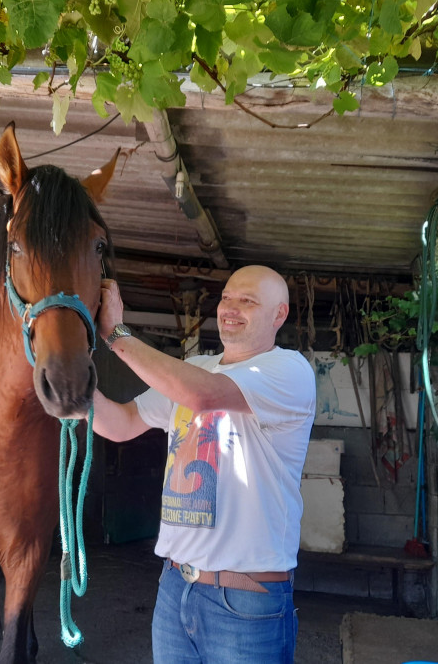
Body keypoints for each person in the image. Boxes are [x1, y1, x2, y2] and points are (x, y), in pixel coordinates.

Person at [93, 265, 316, 664]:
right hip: (175, 587)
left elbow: (203, 397)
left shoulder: (288, 371)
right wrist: (69, 386)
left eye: (247, 301)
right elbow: (121, 423)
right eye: (227, 298)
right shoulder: (197, 366)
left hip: (245, 600)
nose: (231, 308)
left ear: (278, 315)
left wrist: (116, 334)